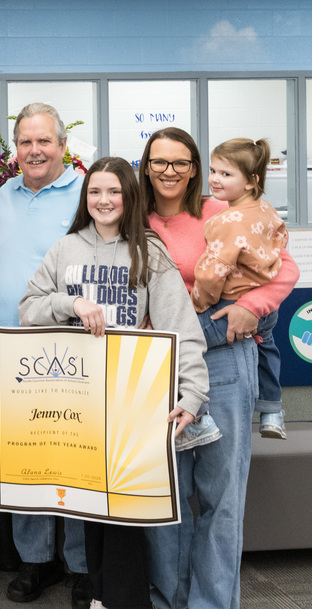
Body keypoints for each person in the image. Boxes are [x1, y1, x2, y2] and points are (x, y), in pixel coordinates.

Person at [19, 157, 210, 609]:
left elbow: (181, 325)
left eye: (114, 192)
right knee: (88, 501)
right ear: (86, 200)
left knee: (123, 504)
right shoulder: (65, 249)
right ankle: (98, 592)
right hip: (76, 399)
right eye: (95, 192)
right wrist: (71, 302)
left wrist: (193, 393)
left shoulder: (149, 251)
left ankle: (125, 599)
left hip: (131, 398)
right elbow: (28, 308)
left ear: (130, 197)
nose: (104, 201)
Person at [139, 127, 298, 609]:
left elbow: (285, 269)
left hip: (223, 360)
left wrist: (256, 305)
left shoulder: (221, 210)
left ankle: (210, 604)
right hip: (157, 368)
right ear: (145, 166)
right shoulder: (129, 216)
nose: (170, 172)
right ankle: (169, 599)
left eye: (181, 162)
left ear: (194, 170)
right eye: (159, 162)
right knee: (165, 498)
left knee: (220, 498)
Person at [0, 102, 90, 608]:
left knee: (73, 457)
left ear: (63, 146)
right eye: (25, 142)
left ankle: (82, 565)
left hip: (68, 346)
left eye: (43, 141)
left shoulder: (85, 195)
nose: (34, 150)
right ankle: (36, 561)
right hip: (8, 347)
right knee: (25, 457)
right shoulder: (1, 196)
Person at [187, 138, 288, 444]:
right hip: (266, 308)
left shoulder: (227, 220)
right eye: (214, 170)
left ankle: (200, 417)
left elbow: (211, 271)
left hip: (229, 306)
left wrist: (197, 303)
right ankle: (272, 411)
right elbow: (282, 242)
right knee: (267, 348)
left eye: (227, 174)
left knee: (182, 346)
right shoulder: (266, 209)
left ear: (251, 181)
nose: (215, 179)